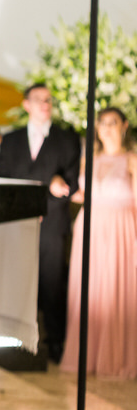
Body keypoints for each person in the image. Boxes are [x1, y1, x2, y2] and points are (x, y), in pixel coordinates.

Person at [0, 83, 81, 362]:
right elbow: (7, 179)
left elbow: (69, 184)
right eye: (39, 99)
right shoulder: (10, 141)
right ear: (26, 105)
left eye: (49, 99)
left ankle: (55, 342)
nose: (46, 104)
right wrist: (42, 192)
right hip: (18, 222)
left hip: (53, 222)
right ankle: (16, 337)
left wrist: (47, 198)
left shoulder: (67, 140)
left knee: (52, 282)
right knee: (19, 279)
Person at [61, 107, 137, 378]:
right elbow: (84, 193)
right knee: (91, 290)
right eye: (102, 123)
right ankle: (88, 357)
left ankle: (116, 360)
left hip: (121, 229)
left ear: (124, 125)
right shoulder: (89, 158)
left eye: (112, 122)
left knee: (117, 290)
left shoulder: (132, 160)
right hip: (91, 227)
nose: (106, 128)